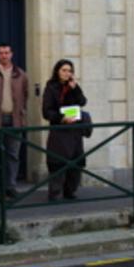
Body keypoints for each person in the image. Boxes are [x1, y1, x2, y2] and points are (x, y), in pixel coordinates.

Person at [42, 59, 87, 202]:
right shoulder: (51, 87)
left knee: (76, 161)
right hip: (59, 131)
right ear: (57, 71)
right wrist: (61, 118)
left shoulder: (73, 86)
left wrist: (75, 88)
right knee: (57, 162)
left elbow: (82, 102)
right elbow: (46, 111)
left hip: (74, 131)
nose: (67, 73)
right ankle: (55, 193)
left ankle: (70, 191)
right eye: (64, 70)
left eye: (70, 71)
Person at [0, 43, 29, 198]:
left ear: (11, 54)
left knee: (13, 155)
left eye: (6, 53)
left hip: (14, 119)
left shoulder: (21, 74)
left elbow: (26, 95)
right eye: (1, 53)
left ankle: (10, 186)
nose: (4, 55)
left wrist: (21, 112)